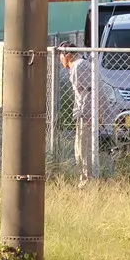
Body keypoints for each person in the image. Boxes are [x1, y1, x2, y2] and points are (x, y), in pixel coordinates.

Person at [58, 43, 94, 183]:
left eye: (61, 55)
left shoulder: (79, 66)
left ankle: (86, 179)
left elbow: (88, 91)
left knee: (83, 146)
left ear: (67, 55)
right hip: (83, 111)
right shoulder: (78, 65)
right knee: (80, 145)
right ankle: (84, 177)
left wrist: (86, 113)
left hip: (86, 112)